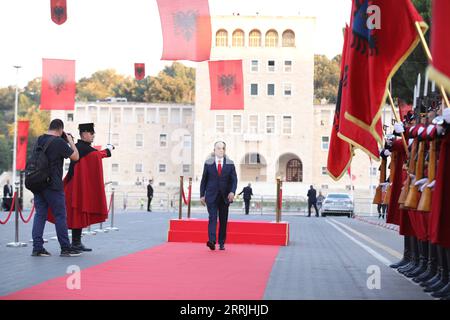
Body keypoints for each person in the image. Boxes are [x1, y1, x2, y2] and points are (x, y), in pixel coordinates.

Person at [48, 123, 113, 252]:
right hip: (75, 187)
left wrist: (107, 151)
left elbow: (95, 154)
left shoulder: (82, 147)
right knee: (76, 213)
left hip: (76, 185)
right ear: (84, 134)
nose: (93, 135)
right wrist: (108, 150)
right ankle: (74, 243)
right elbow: (96, 156)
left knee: (78, 214)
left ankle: (76, 242)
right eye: (91, 133)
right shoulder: (82, 148)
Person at [31, 119, 81, 257]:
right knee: (60, 216)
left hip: (37, 183)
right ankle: (65, 248)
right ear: (60, 130)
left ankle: (37, 248)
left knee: (40, 214)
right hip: (53, 185)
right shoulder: (58, 142)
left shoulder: (39, 139)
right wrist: (70, 140)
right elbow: (75, 156)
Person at [200, 141, 237, 251]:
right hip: (211, 196)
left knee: (223, 220)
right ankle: (212, 241)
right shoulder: (208, 163)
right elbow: (204, 180)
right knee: (212, 217)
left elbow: (234, 180)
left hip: (225, 197)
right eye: (219, 148)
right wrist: (202, 194)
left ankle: (221, 242)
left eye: (223, 148)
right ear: (214, 150)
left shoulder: (230, 163)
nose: (221, 150)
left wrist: (232, 192)